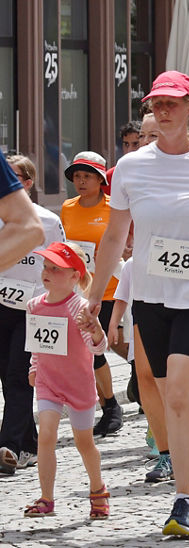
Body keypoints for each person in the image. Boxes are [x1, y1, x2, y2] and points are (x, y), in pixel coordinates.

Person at [89, 71, 189, 537]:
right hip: (151, 295)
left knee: (176, 390)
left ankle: (181, 500)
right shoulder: (133, 166)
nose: (163, 110)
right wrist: (93, 298)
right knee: (162, 390)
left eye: (172, 103)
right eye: (156, 102)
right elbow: (116, 235)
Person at [21, 242, 110, 520]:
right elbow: (36, 345)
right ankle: (46, 497)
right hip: (48, 382)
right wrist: (34, 367)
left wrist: (95, 330)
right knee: (45, 436)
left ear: (75, 276)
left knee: (84, 443)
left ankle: (98, 491)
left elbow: (98, 348)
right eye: (45, 267)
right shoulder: (34, 305)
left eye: (55, 269)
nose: (46, 272)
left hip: (79, 384)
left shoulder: (80, 307)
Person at [0, 154, 61, 475]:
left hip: (33, 308)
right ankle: (29, 443)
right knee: (5, 376)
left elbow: (61, 263)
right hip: (1, 306)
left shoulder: (46, 220)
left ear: (26, 183)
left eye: (13, 177)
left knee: (19, 376)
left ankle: (7, 446)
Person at [59, 151, 124, 438]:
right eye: (77, 176)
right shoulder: (67, 207)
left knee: (120, 345)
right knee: (91, 350)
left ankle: (144, 379)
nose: (81, 181)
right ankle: (110, 406)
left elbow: (127, 242)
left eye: (87, 176)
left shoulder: (116, 207)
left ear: (100, 179)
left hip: (113, 289)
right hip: (81, 292)